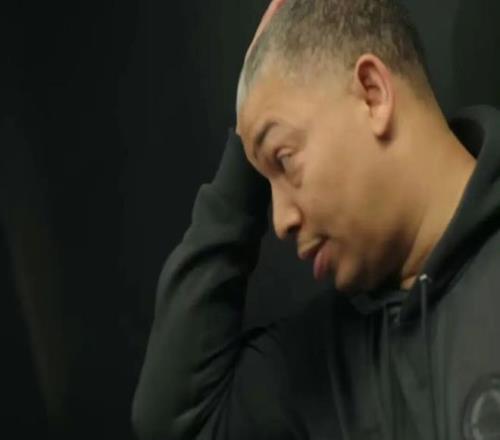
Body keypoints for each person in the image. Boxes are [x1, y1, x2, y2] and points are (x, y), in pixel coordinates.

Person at [132, 0, 500, 439]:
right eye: (264, 179)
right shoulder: (327, 365)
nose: (281, 222)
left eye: (284, 159)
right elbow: (176, 421)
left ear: (372, 94)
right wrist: (249, 147)